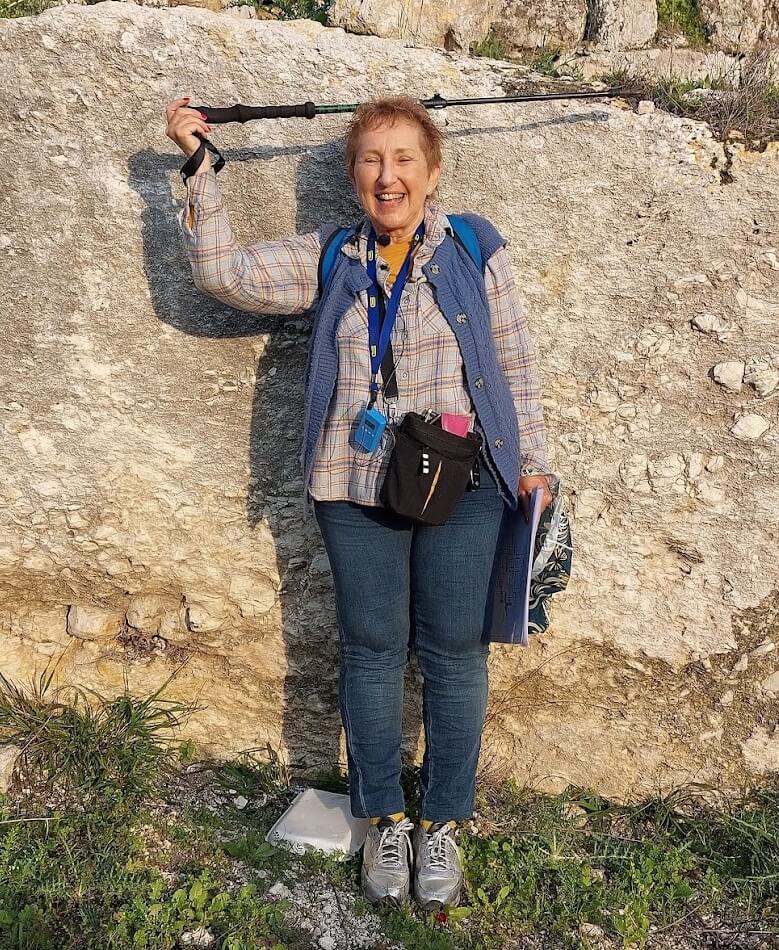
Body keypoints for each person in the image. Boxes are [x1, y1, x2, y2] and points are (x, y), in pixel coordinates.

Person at [166, 94, 558, 910]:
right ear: (353, 176)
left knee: (454, 652)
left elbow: (514, 360)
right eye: (372, 161)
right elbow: (223, 273)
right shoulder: (332, 255)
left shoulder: (473, 249)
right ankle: (382, 814)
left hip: (467, 481)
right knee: (372, 649)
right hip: (355, 481)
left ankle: (440, 824)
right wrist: (202, 166)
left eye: (404, 159)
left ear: (432, 170)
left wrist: (533, 463)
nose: (389, 176)